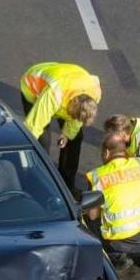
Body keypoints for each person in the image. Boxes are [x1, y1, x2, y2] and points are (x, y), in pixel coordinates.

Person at [20, 62, 101, 190]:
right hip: (33, 88)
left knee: (75, 138)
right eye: (72, 116)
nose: (73, 119)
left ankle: (67, 185)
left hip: (67, 87)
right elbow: (33, 127)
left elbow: (76, 120)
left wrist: (66, 135)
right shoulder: (54, 94)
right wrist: (24, 150)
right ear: (71, 105)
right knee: (42, 141)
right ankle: (40, 183)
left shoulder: (94, 92)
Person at [86, 132, 140, 271]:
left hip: (119, 240)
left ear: (107, 153)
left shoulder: (97, 176)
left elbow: (93, 215)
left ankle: (118, 257)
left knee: (87, 215)